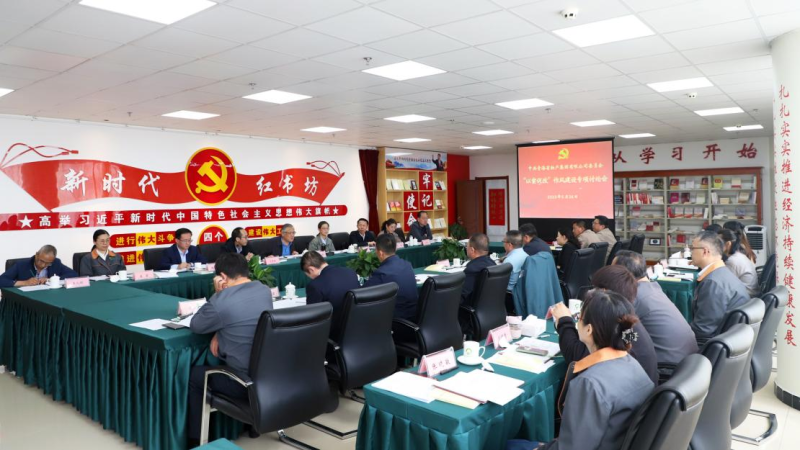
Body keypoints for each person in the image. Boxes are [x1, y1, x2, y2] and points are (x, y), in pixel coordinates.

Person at [507, 290, 654, 450]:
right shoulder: (634, 364)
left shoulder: (589, 383)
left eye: (579, 318)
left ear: (589, 329)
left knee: (509, 445)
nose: (577, 322)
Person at [186, 253, 273, 448]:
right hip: (269, 375)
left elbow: (196, 325)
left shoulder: (221, 301)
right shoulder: (264, 290)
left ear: (222, 277)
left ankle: (196, 439)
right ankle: (253, 427)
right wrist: (219, 331)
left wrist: (218, 294)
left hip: (241, 382)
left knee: (195, 376)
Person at [552, 265, 658, 384]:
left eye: (594, 288)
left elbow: (578, 356)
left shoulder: (617, 327)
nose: (591, 292)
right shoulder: (628, 323)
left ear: (604, 293)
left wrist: (564, 320)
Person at [612, 250, 698, 366]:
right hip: (687, 361)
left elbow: (626, 335)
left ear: (622, 274)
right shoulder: (652, 288)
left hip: (668, 366)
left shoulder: (635, 297)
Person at [690, 231, 750, 345]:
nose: (690, 252)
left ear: (705, 251)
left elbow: (703, 331)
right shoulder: (721, 273)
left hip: (716, 346)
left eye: (692, 248)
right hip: (729, 341)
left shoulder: (712, 283)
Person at [301, 251, 360, 338]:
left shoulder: (315, 285)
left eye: (308, 275)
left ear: (311, 269)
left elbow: (312, 317)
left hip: (332, 335)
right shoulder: (350, 272)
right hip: (357, 328)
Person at [364, 234, 418, 320]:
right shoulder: (407, 265)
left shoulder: (382, 272)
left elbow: (363, 293)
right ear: (395, 249)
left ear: (380, 253)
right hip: (415, 315)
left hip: (396, 320)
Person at [0, 245, 78, 287]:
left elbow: (74, 274)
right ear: (36, 255)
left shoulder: (56, 263)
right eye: (41, 261)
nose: (43, 265)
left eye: (47, 263)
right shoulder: (22, 265)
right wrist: (25, 282)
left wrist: (50, 279)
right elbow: (2, 280)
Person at [719, 229, 759, 297]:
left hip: (746, 298)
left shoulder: (732, 261)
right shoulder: (739, 255)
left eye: (718, 243)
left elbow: (726, 286)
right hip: (750, 295)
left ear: (728, 244)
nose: (715, 245)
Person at [461, 233, 496, 304]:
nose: (466, 249)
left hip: (471, 308)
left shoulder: (472, 270)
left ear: (472, 250)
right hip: (493, 306)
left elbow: (462, 296)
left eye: (467, 246)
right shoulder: (493, 263)